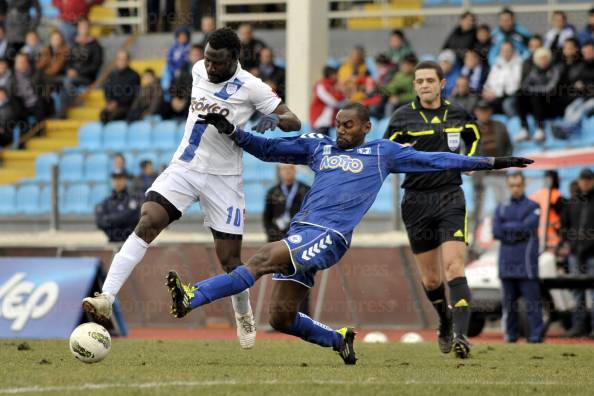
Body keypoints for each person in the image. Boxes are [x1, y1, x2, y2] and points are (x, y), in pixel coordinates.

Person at [164, 103, 533, 364]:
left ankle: (192, 296)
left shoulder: (382, 153)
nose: (340, 130)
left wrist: (490, 162)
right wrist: (232, 130)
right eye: (338, 124)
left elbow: (436, 159)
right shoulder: (318, 147)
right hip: (301, 232)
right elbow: (268, 148)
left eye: (348, 125)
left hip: (329, 234)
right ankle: (338, 340)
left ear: (366, 127)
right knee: (281, 317)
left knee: (260, 259)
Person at [82, 27, 301, 350]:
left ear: (235, 59)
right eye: (207, 60)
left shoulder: (252, 87)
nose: (210, 67)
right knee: (148, 221)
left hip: (223, 180)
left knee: (230, 261)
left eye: (218, 62)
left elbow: (293, 120)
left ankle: (243, 316)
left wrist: (275, 120)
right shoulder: (198, 69)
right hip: (185, 167)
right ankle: (106, 297)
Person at [384, 61, 482, 358]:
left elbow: (474, 137)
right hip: (415, 200)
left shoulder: (459, 113)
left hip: (450, 197)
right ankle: (445, 321)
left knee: (454, 266)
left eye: (430, 80)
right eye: (419, 81)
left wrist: (471, 163)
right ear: (414, 86)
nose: (424, 85)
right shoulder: (401, 118)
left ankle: (462, 337)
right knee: (431, 280)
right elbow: (384, 154)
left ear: (442, 84)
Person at [492, 172, 543, 343]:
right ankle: (511, 336)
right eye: (512, 185)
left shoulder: (534, 206)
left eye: (518, 185)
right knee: (509, 306)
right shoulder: (500, 208)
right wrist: (516, 230)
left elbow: (528, 227)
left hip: (527, 265)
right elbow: (496, 232)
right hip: (506, 265)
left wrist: (509, 229)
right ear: (508, 186)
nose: (515, 188)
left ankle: (535, 337)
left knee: (533, 305)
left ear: (524, 185)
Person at [560, 168, 594, 338]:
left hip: (592, 254)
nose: (586, 182)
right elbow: (564, 225)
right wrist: (570, 243)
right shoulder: (572, 202)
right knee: (577, 292)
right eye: (583, 179)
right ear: (579, 181)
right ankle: (579, 326)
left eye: (589, 179)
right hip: (575, 254)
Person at [59, 18, 103, 118]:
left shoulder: (96, 46)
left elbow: (95, 66)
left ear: (89, 29)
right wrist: (69, 70)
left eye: (85, 27)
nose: (83, 29)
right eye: (81, 27)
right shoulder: (73, 44)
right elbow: (67, 62)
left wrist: (77, 72)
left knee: (67, 82)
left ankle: (67, 110)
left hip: (87, 78)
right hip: (71, 76)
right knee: (58, 82)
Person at [516, 47, 561, 142]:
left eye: (545, 58)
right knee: (520, 95)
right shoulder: (534, 72)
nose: (543, 61)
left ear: (549, 59)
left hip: (551, 103)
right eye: (540, 59)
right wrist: (532, 91)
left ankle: (540, 129)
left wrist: (532, 90)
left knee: (535, 97)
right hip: (536, 102)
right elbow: (524, 86)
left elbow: (549, 89)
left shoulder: (554, 70)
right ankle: (524, 129)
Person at [263, 164, 310, 243]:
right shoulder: (272, 192)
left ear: (295, 170)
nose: (288, 171)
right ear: (280, 171)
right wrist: (270, 232)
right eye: (284, 168)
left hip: (298, 232)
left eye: (291, 168)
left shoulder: (305, 190)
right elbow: (267, 216)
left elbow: (309, 213)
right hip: (277, 233)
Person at [95, 169, 143, 243]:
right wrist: (120, 218)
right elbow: (99, 222)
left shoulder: (133, 200)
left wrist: (109, 219)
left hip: (130, 243)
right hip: (112, 242)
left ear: (125, 180)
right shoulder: (106, 201)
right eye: (115, 179)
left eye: (120, 178)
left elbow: (131, 219)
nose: (117, 182)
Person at [482, 41, 522, 117]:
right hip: (495, 95)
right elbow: (489, 81)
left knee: (507, 104)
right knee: (481, 105)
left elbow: (515, 86)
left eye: (508, 50)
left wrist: (496, 94)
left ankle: (516, 125)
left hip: (513, 95)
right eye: (503, 50)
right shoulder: (497, 63)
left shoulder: (519, 64)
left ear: (513, 51)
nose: (506, 53)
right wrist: (486, 91)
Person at [100, 50, 140, 123]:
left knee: (114, 116)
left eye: (123, 59)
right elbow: (107, 91)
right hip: (113, 105)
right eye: (119, 59)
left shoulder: (134, 76)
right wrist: (110, 102)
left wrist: (118, 103)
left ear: (128, 61)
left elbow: (133, 94)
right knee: (103, 114)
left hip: (126, 106)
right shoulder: (111, 75)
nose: (121, 62)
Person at [309, 66, 345, 135]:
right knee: (320, 144)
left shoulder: (333, 86)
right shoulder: (321, 85)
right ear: (331, 75)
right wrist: (341, 95)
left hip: (328, 123)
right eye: (336, 74)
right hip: (320, 121)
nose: (337, 77)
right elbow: (333, 101)